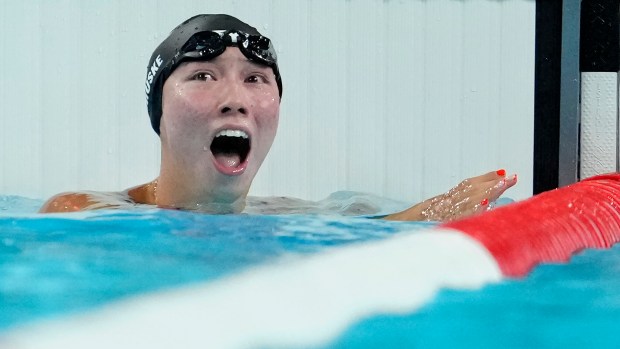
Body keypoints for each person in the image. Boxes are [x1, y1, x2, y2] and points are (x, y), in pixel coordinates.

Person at [39, 14, 517, 221]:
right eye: (204, 76)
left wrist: (427, 217)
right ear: (158, 113)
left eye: (256, 79)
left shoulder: (296, 215)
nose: (236, 99)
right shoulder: (82, 213)